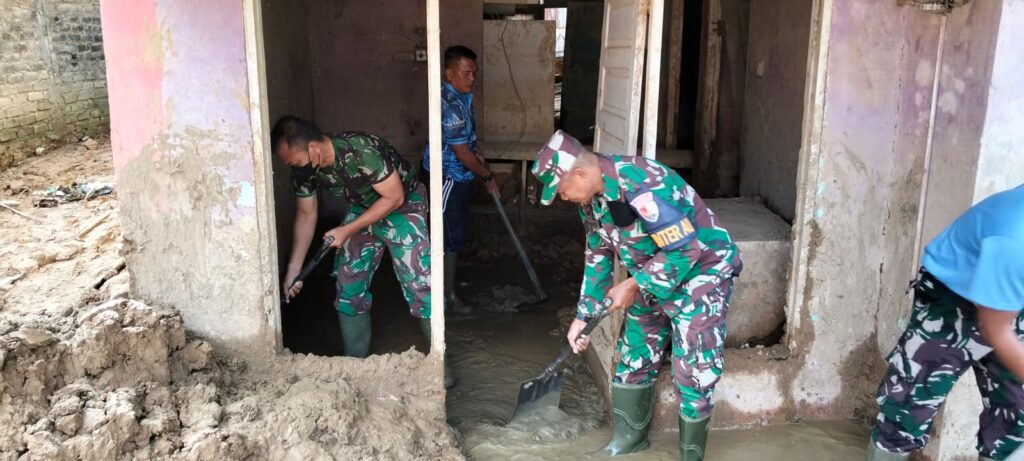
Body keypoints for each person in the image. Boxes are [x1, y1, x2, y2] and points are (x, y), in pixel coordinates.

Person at [531, 130, 742, 460]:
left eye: (561, 190)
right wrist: (583, 317)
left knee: (693, 370)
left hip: (701, 269)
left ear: (581, 173)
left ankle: (690, 457)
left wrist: (632, 284)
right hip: (652, 274)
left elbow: (685, 250)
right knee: (633, 356)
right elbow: (598, 255)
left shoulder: (643, 184)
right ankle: (628, 442)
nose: (563, 197)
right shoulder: (591, 200)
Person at [273, 115, 453, 387]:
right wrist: (294, 272)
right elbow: (306, 214)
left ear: (312, 149)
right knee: (349, 284)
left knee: (420, 284)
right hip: (363, 209)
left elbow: (394, 197)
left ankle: (440, 366)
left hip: (404, 205)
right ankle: (355, 364)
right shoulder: (306, 169)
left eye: (295, 163)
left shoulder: (361, 150)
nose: (294, 169)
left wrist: (346, 230)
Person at [867, 185, 1024, 461]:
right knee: (908, 409)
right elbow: (996, 329)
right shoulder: (1014, 239)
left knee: (1015, 418)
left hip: (1012, 297)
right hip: (953, 296)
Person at [421, 45, 499, 314]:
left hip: (461, 174)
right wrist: (486, 174)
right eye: (466, 74)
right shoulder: (450, 105)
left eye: (474, 73)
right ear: (449, 73)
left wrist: (481, 163)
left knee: (455, 233)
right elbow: (462, 153)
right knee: (445, 236)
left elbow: (469, 145)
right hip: (446, 177)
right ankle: (444, 297)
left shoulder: (464, 98)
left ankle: (448, 285)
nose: (471, 78)